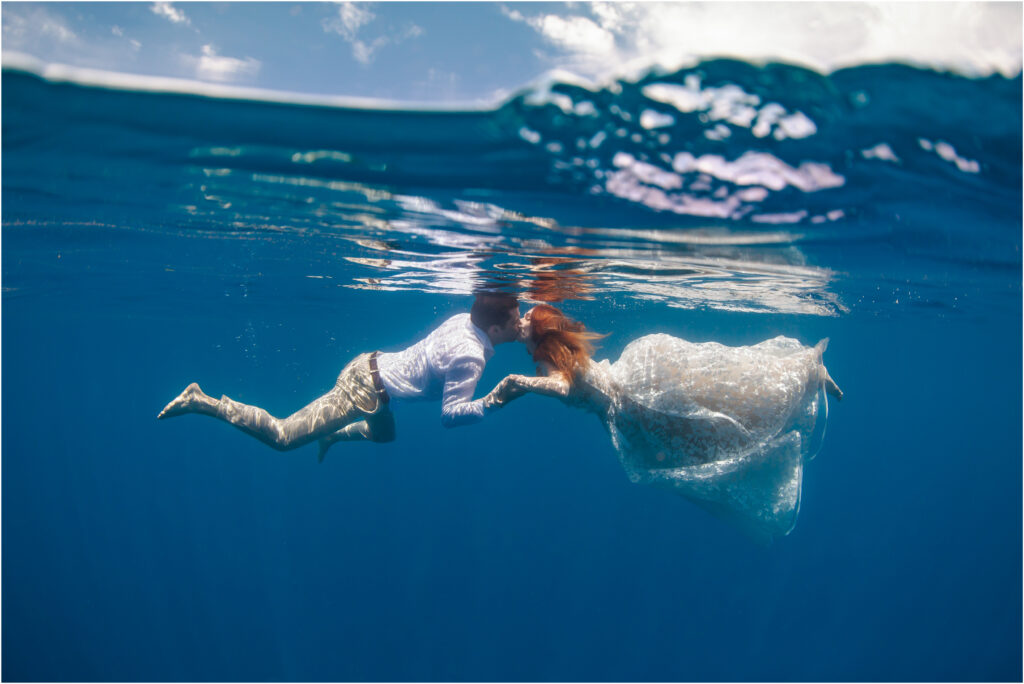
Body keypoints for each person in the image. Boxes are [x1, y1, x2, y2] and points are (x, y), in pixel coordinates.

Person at [483, 304, 844, 542]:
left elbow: (564, 386)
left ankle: (804, 372)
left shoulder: (549, 359)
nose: (522, 322)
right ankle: (805, 374)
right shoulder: (554, 352)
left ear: (542, 331)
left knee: (715, 412)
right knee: (715, 402)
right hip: (632, 391)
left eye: (527, 319)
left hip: (633, 403)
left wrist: (516, 384)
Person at [158, 293, 522, 461]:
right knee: (283, 437)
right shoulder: (471, 358)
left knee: (385, 437)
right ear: (493, 327)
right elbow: (449, 416)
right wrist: (496, 399)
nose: (521, 324)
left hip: (375, 374)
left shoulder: (465, 319)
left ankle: (330, 436)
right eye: (516, 320)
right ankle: (202, 401)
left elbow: (504, 325)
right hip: (364, 388)